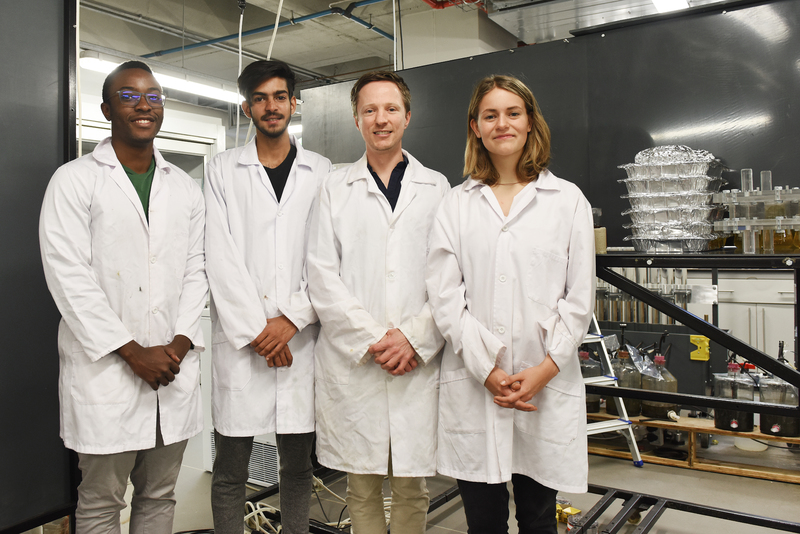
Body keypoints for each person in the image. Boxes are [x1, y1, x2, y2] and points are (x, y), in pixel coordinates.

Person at [39, 60, 207, 533]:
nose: (143, 104)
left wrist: (177, 345)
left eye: (153, 95)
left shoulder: (185, 187)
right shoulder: (74, 181)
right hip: (108, 372)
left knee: (159, 496)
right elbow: (68, 277)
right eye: (129, 95)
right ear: (107, 108)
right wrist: (132, 352)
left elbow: (198, 269)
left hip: (172, 371)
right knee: (98, 502)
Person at [425, 74, 596, 534]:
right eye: (491, 115)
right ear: (475, 127)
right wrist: (488, 370)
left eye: (513, 113)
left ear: (529, 122)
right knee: (483, 521)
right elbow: (445, 298)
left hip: (544, 383)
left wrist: (543, 370)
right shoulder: (455, 205)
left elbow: (578, 300)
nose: (503, 123)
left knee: (539, 518)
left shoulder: (567, 201)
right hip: (478, 385)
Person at [307, 71, 449, 534]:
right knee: (361, 484)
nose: (380, 119)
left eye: (390, 109)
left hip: (416, 357)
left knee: (413, 485)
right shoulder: (334, 187)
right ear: (356, 120)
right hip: (357, 362)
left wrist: (412, 337)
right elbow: (321, 274)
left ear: (407, 117)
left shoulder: (437, 188)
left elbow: (450, 277)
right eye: (370, 110)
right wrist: (374, 340)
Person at [205, 59, 331, 534]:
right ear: (246, 107)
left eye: (280, 96)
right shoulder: (221, 170)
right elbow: (219, 255)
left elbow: (327, 259)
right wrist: (260, 331)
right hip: (245, 342)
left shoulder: (321, 172)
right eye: (260, 98)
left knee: (298, 469)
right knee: (230, 471)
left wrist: (290, 321)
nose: (271, 106)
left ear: (293, 102)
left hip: (298, 340)